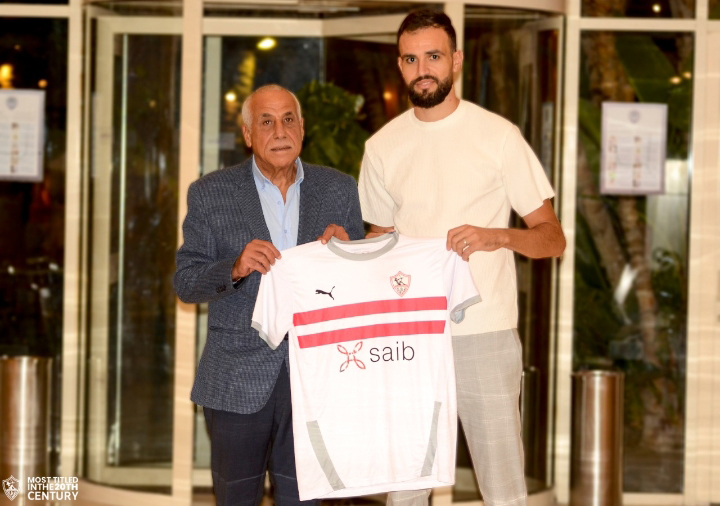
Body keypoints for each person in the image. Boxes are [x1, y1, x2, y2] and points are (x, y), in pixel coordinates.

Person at [357, 10, 566, 506]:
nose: (422, 69)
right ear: (400, 65)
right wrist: (340, 254)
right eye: (411, 59)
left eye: (433, 56)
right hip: (410, 336)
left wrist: (499, 237)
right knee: (406, 489)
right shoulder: (381, 147)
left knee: (502, 487)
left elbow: (553, 239)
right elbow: (378, 242)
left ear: (456, 60)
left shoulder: (498, 135)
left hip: (485, 333)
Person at [174, 84, 364, 506]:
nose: (280, 131)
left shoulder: (338, 189)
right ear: (247, 134)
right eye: (266, 122)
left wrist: (349, 253)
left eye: (288, 119)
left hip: (316, 381)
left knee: (307, 499)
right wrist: (234, 268)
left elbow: (360, 289)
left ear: (302, 128)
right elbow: (186, 281)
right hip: (236, 380)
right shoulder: (210, 193)